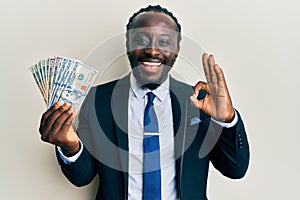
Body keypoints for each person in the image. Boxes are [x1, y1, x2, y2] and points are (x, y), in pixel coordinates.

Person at [39, 5, 249, 200]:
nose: (153, 51)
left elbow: (235, 169)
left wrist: (226, 120)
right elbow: (82, 177)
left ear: (177, 47)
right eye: (141, 40)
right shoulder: (97, 99)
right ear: (128, 43)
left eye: (164, 42)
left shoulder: (201, 103)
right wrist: (70, 146)